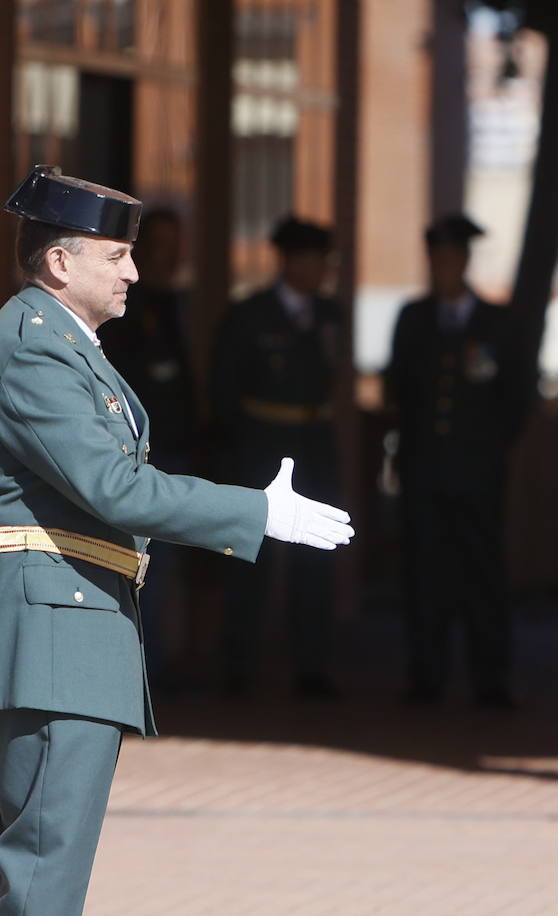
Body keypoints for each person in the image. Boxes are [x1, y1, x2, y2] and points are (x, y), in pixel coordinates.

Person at [0, 164, 354, 916]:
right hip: (54, 636)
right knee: (42, 880)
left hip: (64, 630)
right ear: (60, 261)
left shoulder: (59, 343)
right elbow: (113, 486)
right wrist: (253, 514)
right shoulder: (37, 350)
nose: (134, 271)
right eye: (116, 256)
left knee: (34, 873)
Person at [383, 214, 532, 707]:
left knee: (483, 575)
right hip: (425, 472)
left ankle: (492, 680)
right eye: (438, 258)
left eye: (453, 257)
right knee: (425, 574)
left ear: (466, 260)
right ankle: (426, 676)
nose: (445, 266)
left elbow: (517, 399)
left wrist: (488, 451)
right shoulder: (413, 318)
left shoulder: (497, 322)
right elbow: (398, 391)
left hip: (479, 473)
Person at [210, 215, 343, 698]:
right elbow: (224, 391)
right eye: (314, 259)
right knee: (252, 556)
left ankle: (312, 666)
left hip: (314, 446)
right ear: (290, 261)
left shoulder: (331, 315)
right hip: (261, 448)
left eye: (325, 260)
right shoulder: (250, 315)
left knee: (316, 554)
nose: (322, 269)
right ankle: (239, 665)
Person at [97, 207, 196, 684]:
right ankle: (143, 671)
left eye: (174, 244)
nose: (164, 256)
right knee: (145, 565)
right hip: (136, 456)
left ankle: (161, 665)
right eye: (155, 245)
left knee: (175, 569)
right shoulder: (124, 306)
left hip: (180, 447)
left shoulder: (180, 303)